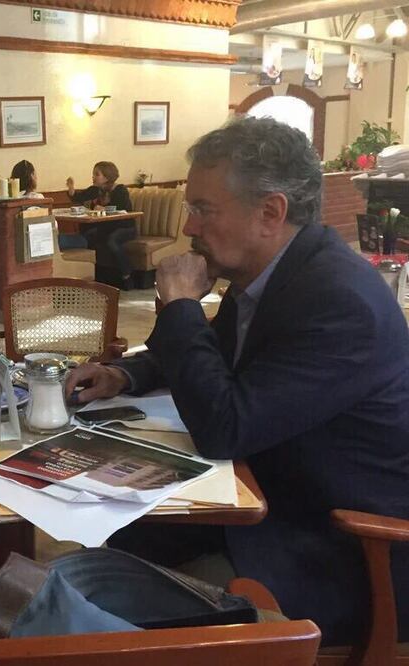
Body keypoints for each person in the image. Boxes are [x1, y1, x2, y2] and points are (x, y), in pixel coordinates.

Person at [65, 117, 409, 646]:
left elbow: (225, 427)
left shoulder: (340, 301)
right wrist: (122, 374)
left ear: (271, 212)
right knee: (113, 531)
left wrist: (181, 305)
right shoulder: (274, 273)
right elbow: (211, 352)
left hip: (335, 547)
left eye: (203, 209)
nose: (188, 228)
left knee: (87, 592)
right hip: (264, 492)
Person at [65, 161, 135, 288]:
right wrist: (71, 189)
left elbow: (121, 208)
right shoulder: (95, 190)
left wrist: (104, 208)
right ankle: (100, 277)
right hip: (106, 227)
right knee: (88, 236)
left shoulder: (120, 190)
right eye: (93, 174)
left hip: (125, 227)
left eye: (96, 174)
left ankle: (127, 275)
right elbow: (79, 197)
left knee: (112, 241)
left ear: (107, 177)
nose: (93, 177)